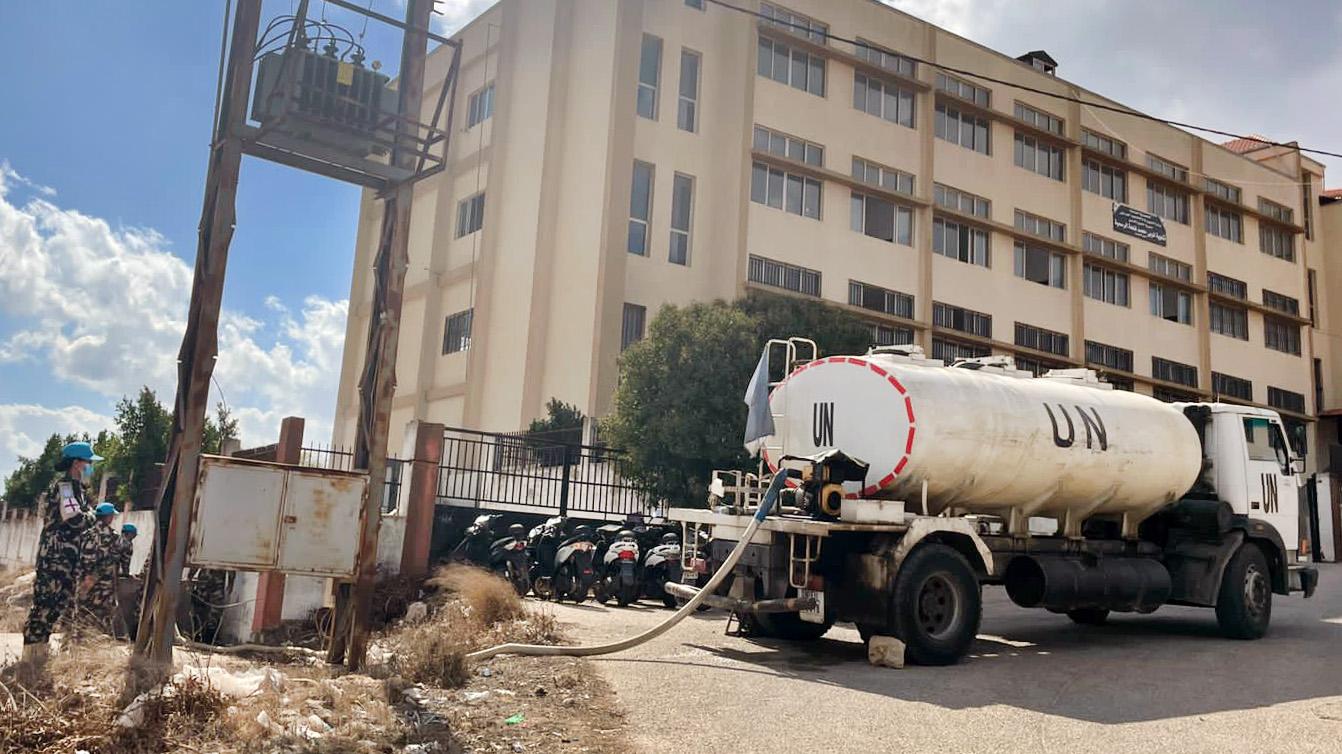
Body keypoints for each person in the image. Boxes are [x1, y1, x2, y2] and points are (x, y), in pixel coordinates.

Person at [21, 441, 100, 668]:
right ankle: (30, 659)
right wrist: (92, 514)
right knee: (45, 606)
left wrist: (88, 512)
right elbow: (74, 519)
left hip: (67, 560)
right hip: (54, 559)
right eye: (88, 462)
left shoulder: (78, 490)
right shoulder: (65, 487)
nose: (91, 467)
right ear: (76, 463)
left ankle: (39, 657)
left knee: (57, 607)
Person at [73, 502, 124, 636]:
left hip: (84, 583)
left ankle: (77, 641)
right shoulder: (114, 537)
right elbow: (115, 560)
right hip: (104, 585)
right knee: (103, 616)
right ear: (108, 517)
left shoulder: (85, 535)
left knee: (81, 614)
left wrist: (86, 579)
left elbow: (78, 558)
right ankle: (98, 644)